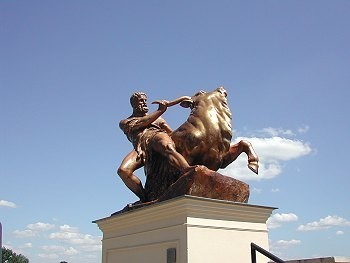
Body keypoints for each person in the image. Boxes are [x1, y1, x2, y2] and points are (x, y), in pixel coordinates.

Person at [117, 92, 190, 202]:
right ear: (133, 104)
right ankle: (145, 198)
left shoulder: (159, 119)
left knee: (168, 147)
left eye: (145, 101)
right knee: (123, 171)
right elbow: (141, 123)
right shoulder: (125, 122)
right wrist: (160, 110)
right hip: (141, 147)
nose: (144, 103)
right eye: (141, 101)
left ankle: (189, 172)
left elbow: (172, 134)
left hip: (156, 136)